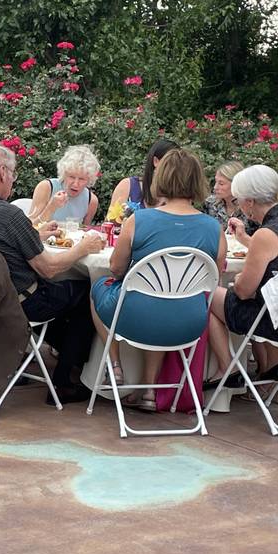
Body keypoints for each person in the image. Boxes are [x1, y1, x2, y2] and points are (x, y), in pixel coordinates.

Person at [0, 144, 106, 403]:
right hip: (14, 303)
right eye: (14, 174)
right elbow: (48, 267)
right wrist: (83, 248)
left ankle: (25, 359)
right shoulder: (8, 215)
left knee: (63, 293)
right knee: (87, 293)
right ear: (4, 173)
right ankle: (63, 382)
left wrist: (35, 234)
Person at [90, 149, 226, 411]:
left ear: (160, 178)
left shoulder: (139, 220)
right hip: (189, 323)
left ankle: (115, 367)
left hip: (137, 319)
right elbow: (214, 277)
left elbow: (116, 269)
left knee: (97, 286)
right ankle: (150, 390)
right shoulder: (214, 227)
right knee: (165, 300)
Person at [206, 165, 278, 388]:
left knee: (206, 294)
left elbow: (244, 292)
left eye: (239, 200)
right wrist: (245, 239)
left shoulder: (266, 233)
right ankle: (273, 363)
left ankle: (228, 369)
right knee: (263, 295)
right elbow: (277, 253)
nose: (240, 206)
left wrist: (236, 283)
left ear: (250, 202)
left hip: (274, 323)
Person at [106, 138, 178, 222]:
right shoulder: (128, 186)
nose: (175, 169)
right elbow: (110, 223)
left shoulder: (178, 194)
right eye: (170, 163)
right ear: (156, 161)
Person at [28, 145, 100, 226]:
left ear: (89, 180)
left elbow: (84, 231)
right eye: (71, 177)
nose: (76, 183)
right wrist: (51, 207)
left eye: (81, 179)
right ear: (64, 174)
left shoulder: (91, 201)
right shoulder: (46, 187)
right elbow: (29, 227)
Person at [203, 160, 246, 226]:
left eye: (221, 183)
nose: (215, 187)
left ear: (236, 184)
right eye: (216, 182)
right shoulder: (210, 203)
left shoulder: (249, 207)